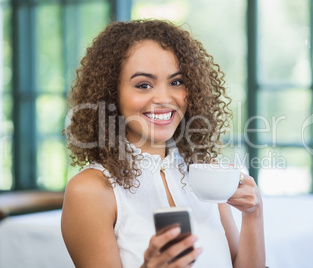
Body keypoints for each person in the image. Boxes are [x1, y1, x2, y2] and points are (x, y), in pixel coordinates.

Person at [61, 19, 265, 268]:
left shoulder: (205, 172)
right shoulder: (90, 190)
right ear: (111, 94)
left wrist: (253, 214)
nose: (164, 98)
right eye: (143, 85)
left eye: (176, 82)